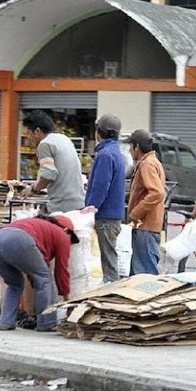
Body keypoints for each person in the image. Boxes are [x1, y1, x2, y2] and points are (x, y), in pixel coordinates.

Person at [0, 214, 80, 332]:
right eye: (70, 238)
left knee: (15, 284)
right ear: (66, 230)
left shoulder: (36, 226)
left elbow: (32, 272)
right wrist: (66, 298)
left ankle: (6, 322)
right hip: (18, 240)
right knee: (44, 279)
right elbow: (61, 271)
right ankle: (47, 323)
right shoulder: (61, 234)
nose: (69, 242)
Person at [84, 114, 126, 283]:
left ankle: (112, 297)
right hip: (113, 216)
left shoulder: (105, 155)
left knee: (109, 265)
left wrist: (89, 209)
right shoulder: (117, 153)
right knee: (108, 260)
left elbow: (100, 187)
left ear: (98, 132)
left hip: (105, 217)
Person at [20, 110, 84, 213]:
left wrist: (33, 189)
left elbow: (48, 174)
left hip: (61, 205)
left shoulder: (45, 144)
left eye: (28, 133)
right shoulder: (64, 139)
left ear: (37, 131)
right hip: (78, 202)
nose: (28, 137)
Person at [124, 129, 165, 275]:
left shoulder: (147, 164)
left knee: (144, 276)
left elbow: (157, 192)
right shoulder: (152, 162)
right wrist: (128, 197)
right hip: (147, 227)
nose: (130, 151)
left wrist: (135, 213)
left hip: (145, 226)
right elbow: (144, 191)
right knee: (139, 273)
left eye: (130, 147)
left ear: (137, 147)